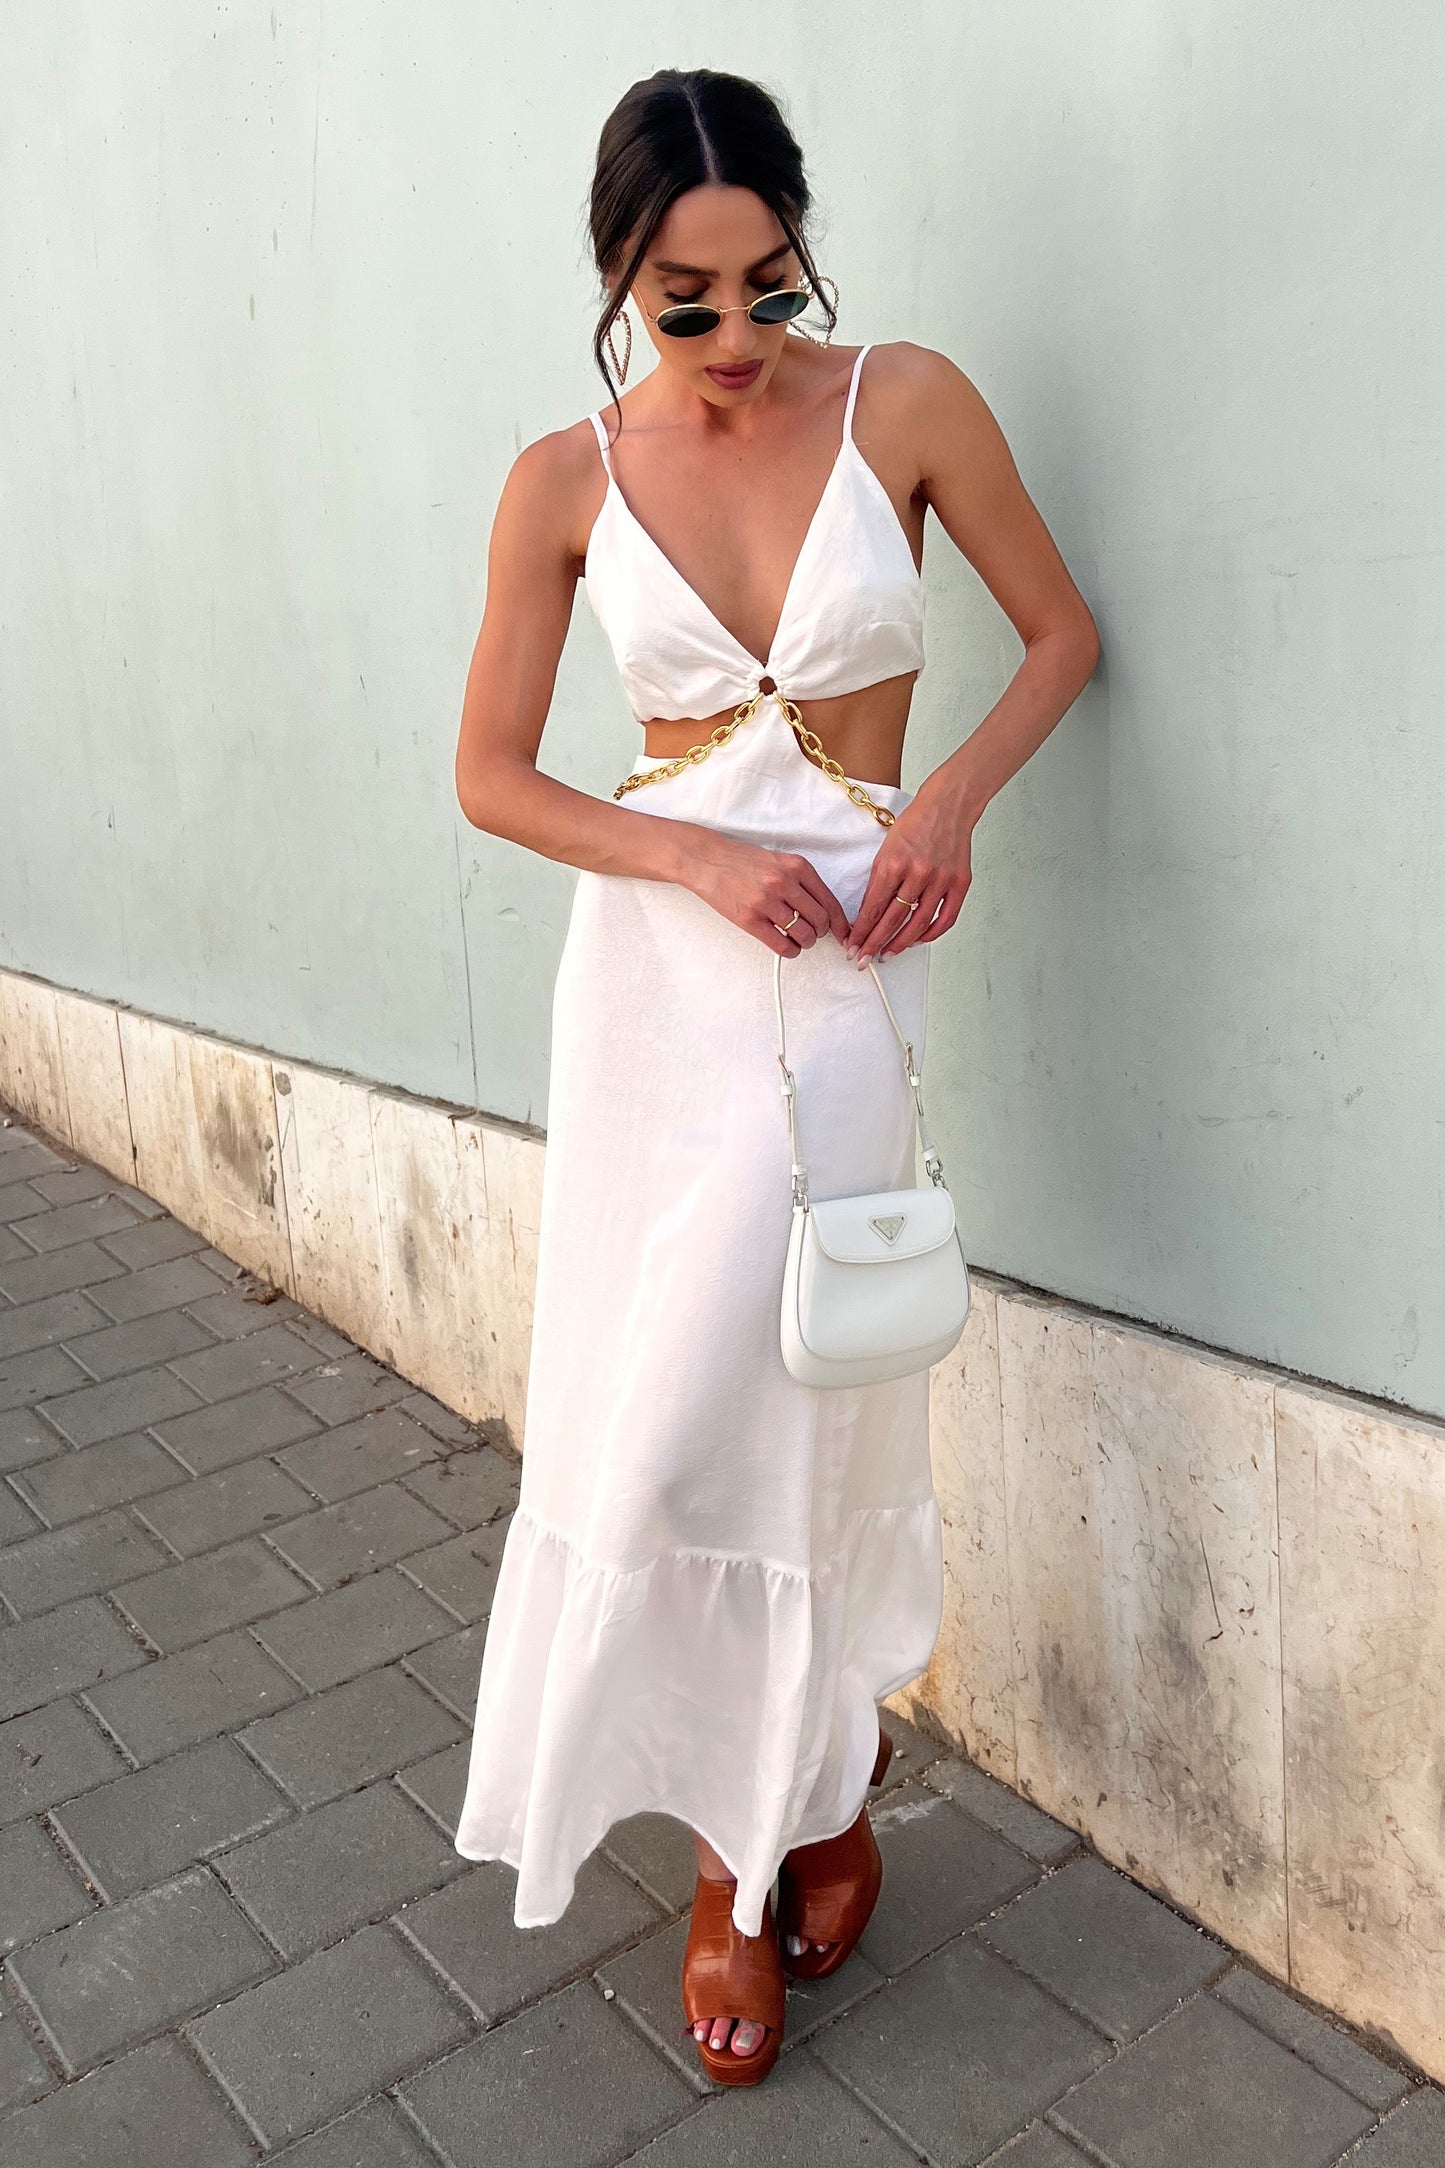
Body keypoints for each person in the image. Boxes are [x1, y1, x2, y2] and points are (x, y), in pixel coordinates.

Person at [451, 66, 1099, 2088]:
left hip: (847, 968)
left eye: (770, 286)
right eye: (685, 301)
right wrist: (691, 857)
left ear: (805, 252)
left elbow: (1060, 636)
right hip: (657, 983)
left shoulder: (904, 403)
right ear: (617, 280)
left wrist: (950, 801)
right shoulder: (561, 480)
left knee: (804, 1391)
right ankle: (802, 1795)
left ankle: (761, 1845)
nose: (736, 336)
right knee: (653, 1425)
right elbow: (490, 775)